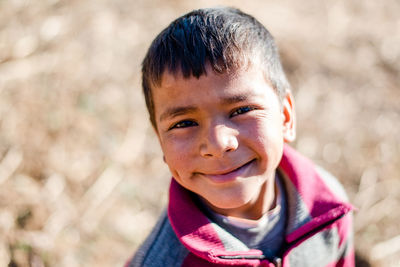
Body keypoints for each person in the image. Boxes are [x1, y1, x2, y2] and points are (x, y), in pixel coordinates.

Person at [127, 7, 354, 267]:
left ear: (286, 117)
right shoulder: (162, 262)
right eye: (185, 123)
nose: (218, 144)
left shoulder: (328, 206)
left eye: (242, 110)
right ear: (161, 143)